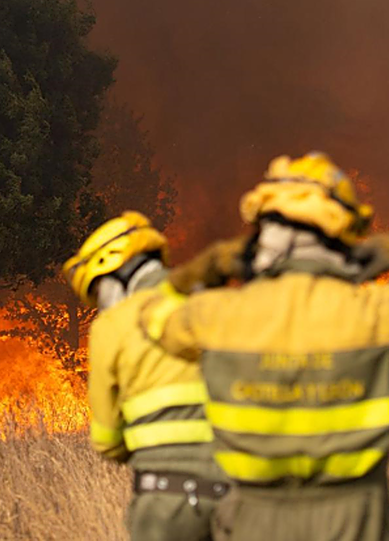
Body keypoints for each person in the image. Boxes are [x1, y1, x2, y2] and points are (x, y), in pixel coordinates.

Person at [138, 152, 389, 541]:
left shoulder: (220, 317)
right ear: (344, 235)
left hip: (252, 523)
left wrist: (215, 264)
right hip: (354, 523)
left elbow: (151, 311)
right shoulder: (381, 314)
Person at [63, 211, 231, 541]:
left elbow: (107, 440)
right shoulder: (213, 301)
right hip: (242, 495)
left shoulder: (111, 326)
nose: (101, 305)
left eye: (99, 292)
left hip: (167, 504)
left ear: (118, 272)